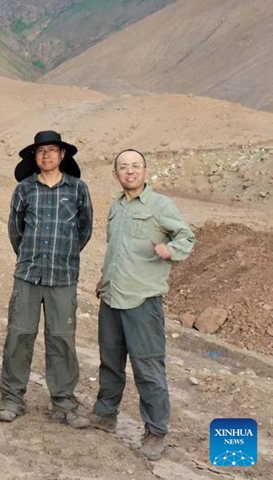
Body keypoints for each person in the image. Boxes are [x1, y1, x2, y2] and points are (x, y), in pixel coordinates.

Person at [92, 149, 195, 461]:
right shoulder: (116, 206)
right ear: (116, 174)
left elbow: (186, 238)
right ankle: (106, 415)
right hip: (112, 297)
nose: (130, 172)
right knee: (110, 362)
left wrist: (169, 250)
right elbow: (116, 249)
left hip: (142, 300)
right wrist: (103, 278)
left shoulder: (161, 205)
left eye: (135, 166)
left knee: (147, 367)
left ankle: (155, 430)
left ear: (146, 171)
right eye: (123, 167)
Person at [0, 130, 93, 428]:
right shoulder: (25, 189)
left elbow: (84, 229)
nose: (46, 155)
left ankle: (64, 403)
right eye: (41, 151)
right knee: (19, 335)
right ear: (34, 156)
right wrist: (30, 254)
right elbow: (15, 231)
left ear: (62, 155)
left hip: (63, 277)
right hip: (28, 274)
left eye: (52, 150)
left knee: (62, 339)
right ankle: (12, 398)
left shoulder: (78, 189)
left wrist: (64, 255)